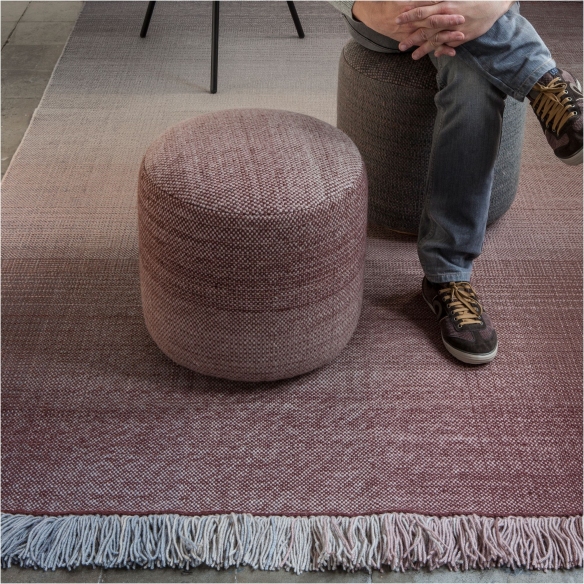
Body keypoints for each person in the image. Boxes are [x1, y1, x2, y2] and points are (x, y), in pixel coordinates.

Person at [329, 0, 583, 365]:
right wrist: (361, 7)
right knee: (448, 18)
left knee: (472, 82)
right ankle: (546, 83)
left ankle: (447, 277)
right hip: (388, 8)